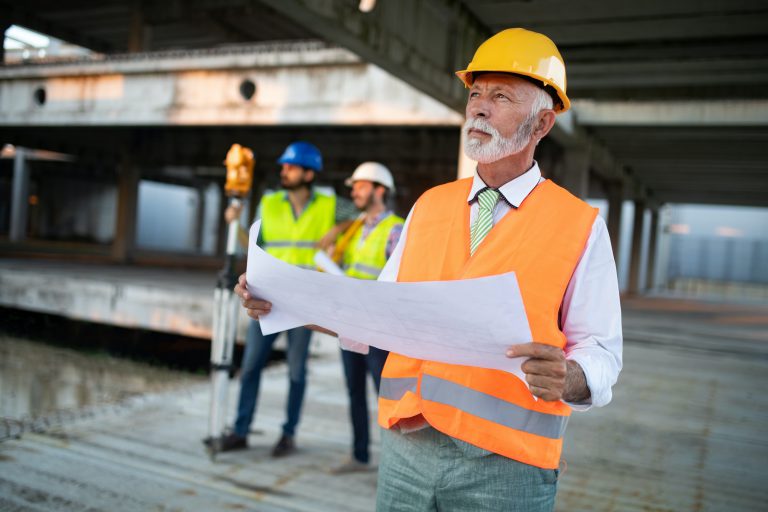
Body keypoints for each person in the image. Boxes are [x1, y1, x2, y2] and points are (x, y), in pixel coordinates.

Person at [236, 28, 622, 511]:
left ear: (542, 124)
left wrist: (570, 377)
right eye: (476, 93)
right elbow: (375, 318)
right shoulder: (429, 207)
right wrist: (284, 301)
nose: (479, 108)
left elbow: (603, 351)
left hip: (508, 469)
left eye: (500, 96)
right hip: (405, 454)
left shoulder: (579, 226)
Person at [216, 141, 355, 457]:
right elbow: (254, 246)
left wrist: (336, 230)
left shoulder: (330, 203)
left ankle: (288, 435)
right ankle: (240, 431)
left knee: (296, 372)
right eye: (284, 167)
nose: (284, 171)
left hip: (305, 304)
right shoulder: (270, 202)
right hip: (268, 299)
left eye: (290, 167)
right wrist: (235, 223)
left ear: (308, 173)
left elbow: (360, 215)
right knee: (250, 366)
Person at [324, 162, 404, 474]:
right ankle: (359, 456)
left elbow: (399, 282)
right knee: (354, 390)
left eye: (360, 185)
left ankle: (395, 465)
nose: (354, 191)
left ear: (379, 190)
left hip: (378, 330)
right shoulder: (354, 227)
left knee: (385, 396)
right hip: (350, 325)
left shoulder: (395, 228)